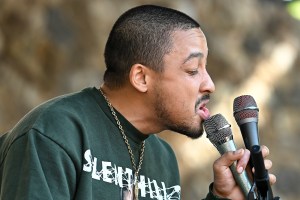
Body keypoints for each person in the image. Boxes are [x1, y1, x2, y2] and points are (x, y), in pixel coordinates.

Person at [0, 4, 276, 200]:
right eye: (193, 70)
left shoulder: (162, 157)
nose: (210, 84)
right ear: (141, 77)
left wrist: (221, 197)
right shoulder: (54, 133)